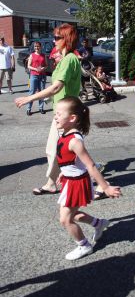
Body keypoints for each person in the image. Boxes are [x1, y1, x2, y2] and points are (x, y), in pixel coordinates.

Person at [15, 23, 81, 195]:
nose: (54, 40)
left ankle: (97, 182)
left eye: (57, 37)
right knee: (60, 150)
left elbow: (56, 87)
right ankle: (54, 182)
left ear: (67, 39)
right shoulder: (66, 59)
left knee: (59, 150)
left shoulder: (69, 60)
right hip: (62, 113)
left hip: (66, 115)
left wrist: (29, 98)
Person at [55, 96, 121, 260]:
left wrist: (105, 187)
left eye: (58, 114)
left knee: (65, 220)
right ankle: (99, 223)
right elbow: (71, 160)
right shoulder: (64, 134)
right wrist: (64, 171)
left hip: (77, 184)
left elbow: (91, 165)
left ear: (72, 118)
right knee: (72, 214)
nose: (55, 116)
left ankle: (84, 246)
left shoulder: (75, 141)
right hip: (70, 180)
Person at [26, 41, 47, 116]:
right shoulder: (32, 55)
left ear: (41, 47)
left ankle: (41, 108)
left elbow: (46, 65)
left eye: (38, 46)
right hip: (33, 75)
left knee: (41, 93)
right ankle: (29, 109)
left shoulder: (43, 55)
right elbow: (28, 66)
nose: (36, 48)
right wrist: (36, 69)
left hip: (42, 76)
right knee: (32, 92)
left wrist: (42, 68)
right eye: (35, 46)